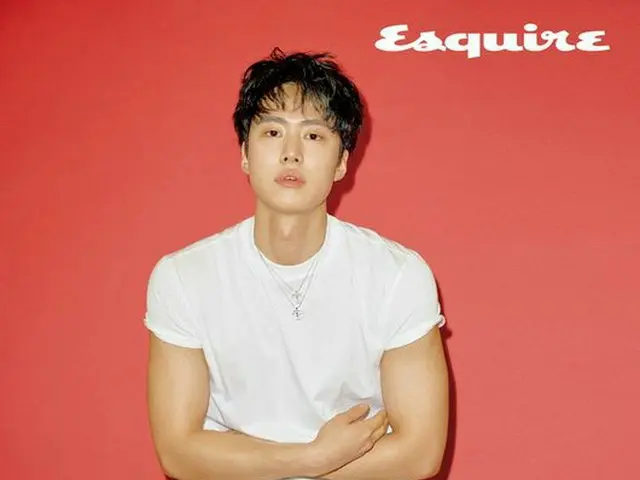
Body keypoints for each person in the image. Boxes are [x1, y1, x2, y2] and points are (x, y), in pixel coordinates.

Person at [144, 48, 449, 480]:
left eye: (313, 136)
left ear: (341, 162)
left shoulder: (397, 275)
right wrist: (312, 460)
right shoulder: (183, 278)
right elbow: (178, 452)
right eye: (272, 132)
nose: (291, 153)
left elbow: (419, 453)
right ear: (245, 153)